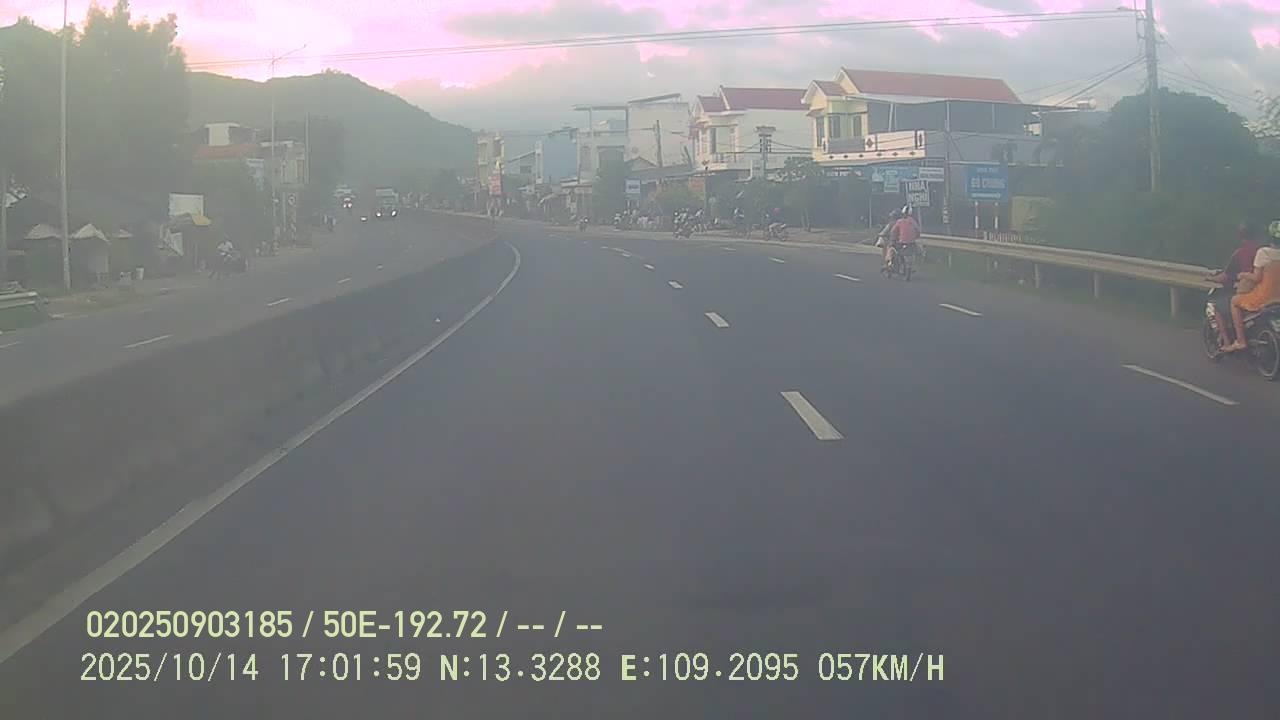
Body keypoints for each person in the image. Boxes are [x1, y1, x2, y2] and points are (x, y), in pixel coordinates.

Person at [1224, 221, 1280, 352]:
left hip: (1265, 297)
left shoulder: (1264, 252)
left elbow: (1257, 278)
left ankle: (1240, 340)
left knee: (1234, 301)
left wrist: (1243, 275)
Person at [1206, 223, 1262, 347]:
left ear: (1241, 236)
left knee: (1218, 307)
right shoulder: (1262, 251)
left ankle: (1227, 343)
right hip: (1263, 291)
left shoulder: (1240, 253)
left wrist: (1211, 278)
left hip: (1246, 291)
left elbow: (1225, 277)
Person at [885, 206, 921, 272]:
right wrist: (915, 237)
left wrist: (893, 238)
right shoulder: (913, 221)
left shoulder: (899, 221)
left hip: (901, 242)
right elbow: (918, 231)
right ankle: (910, 267)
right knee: (913, 252)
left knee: (894, 249)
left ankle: (891, 263)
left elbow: (893, 231)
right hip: (911, 242)